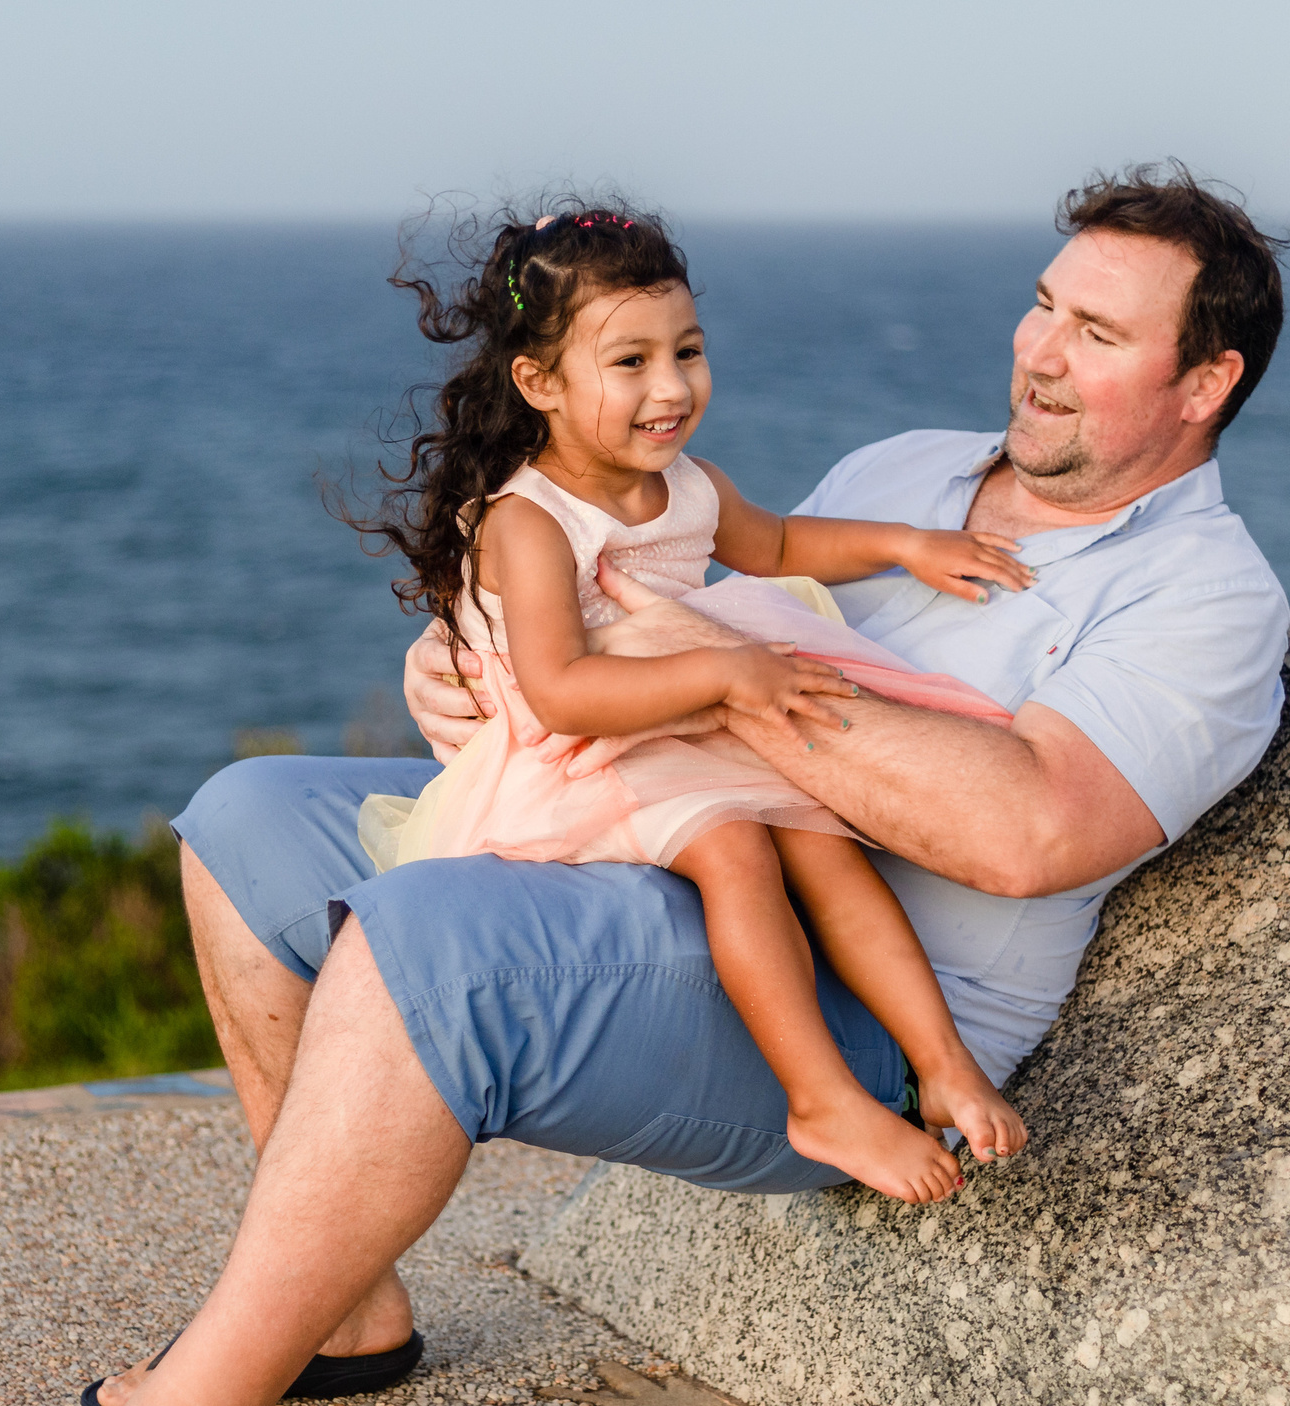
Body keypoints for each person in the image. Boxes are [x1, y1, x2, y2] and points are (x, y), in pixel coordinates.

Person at [0, 161, 1290, 1406]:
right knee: (247, 818)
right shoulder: (910, 470)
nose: (1038, 350)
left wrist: (708, 684)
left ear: (1205, 380)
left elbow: (1028, 827)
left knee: (429, 943)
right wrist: (490, 675)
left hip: (861, 1002)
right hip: (671, 837)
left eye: (1098, 331)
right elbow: (674, 600)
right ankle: (347, 1310)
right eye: (1043, 305)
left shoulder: (1208, 599)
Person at [354, 203, 1030, 1205]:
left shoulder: (685, 484)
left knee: (825, 848)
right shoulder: (529, 523)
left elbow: (781, 547)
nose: (671, 388)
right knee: (736, 848)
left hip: (689, 709)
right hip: (589, 748)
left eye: (687, 350)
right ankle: (820, 1098)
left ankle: (942, 1061)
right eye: (628, 363)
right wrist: (722, 675)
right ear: (537, 382)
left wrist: (904, 543)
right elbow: (562, 693)